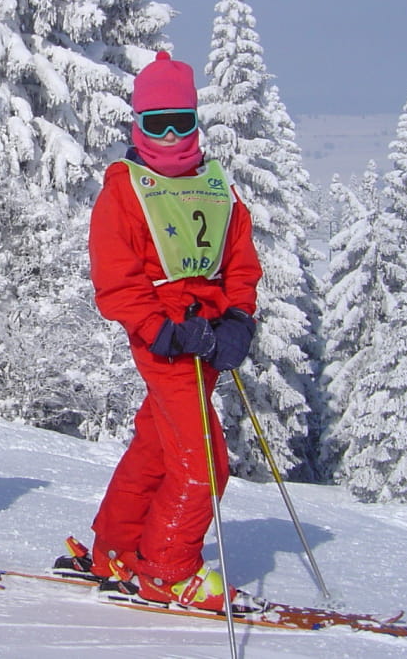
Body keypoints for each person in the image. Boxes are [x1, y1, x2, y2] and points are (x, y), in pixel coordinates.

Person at [63, 50, 262, 610]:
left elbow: (240, 263)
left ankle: (118, 549)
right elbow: (116, 281)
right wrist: (162, 330)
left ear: (196, 121)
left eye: (182, 122)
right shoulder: (125, 190)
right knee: (203, 463)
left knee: (159, 444)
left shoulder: (217, 187)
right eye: (157, 123)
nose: (171, 135)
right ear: (138, 123)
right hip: (168, 340)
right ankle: (169, 569)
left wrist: (239, 319)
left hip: (209, 333)